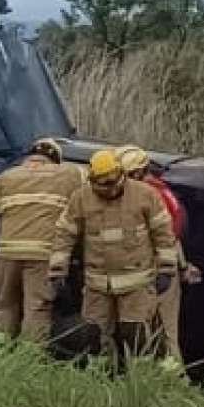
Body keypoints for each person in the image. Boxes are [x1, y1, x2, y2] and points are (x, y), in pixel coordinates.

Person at [73, 147, 180, 374]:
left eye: (113, 182)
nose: (110, 190)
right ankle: (103, 380)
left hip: (140, 281)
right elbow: (66, 232)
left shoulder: (147, 194)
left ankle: (154, 382)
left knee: (148, 333)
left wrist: (167, 268)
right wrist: (57, 270)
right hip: (100, 284)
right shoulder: (82, 198)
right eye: (102, 184)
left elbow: (165, 232)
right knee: (97, 334)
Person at [0, 137, 79, 343]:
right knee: (37, 307)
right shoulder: (67, 174)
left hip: (8, 253)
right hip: (43, 254)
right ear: (55, 159)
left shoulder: (6, 177)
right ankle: (29, 356)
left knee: (4, 303)